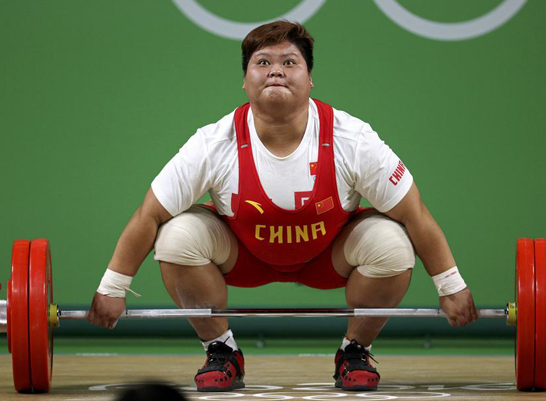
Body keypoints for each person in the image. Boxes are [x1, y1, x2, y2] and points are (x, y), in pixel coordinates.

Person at [86, 20, 478, 392]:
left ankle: (354, 352)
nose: (276, 71)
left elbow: (415, 214)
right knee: (174, 236)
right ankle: (221, 351)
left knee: (393, 242)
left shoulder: (352, 138)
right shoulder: (213, 142)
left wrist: (450, 285)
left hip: (329, 256)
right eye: (263, 63)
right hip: (244, 256)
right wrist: (113, 286)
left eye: (289, 62)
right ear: (245, 82)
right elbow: (149, 214)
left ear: (310, 79)